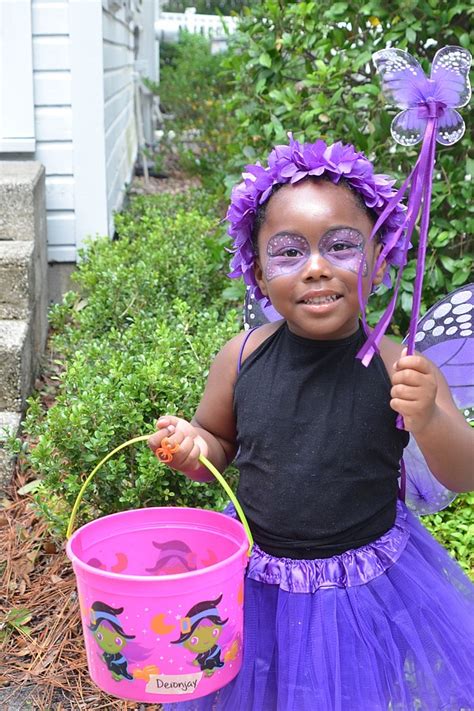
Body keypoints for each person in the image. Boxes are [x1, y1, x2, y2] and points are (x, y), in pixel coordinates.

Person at [148, 136, 474, 710]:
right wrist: (193, 446)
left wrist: (426, 416)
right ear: (256, 269)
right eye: (289, 252)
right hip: (258, 577)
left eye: (342, 246)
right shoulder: (241, 356)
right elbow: (219, 449)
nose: (317, 268)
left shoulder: (401, 364)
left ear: (378, 262)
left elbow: (463, 471)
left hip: (363, 584)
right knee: (259, 685)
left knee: (350, 690)